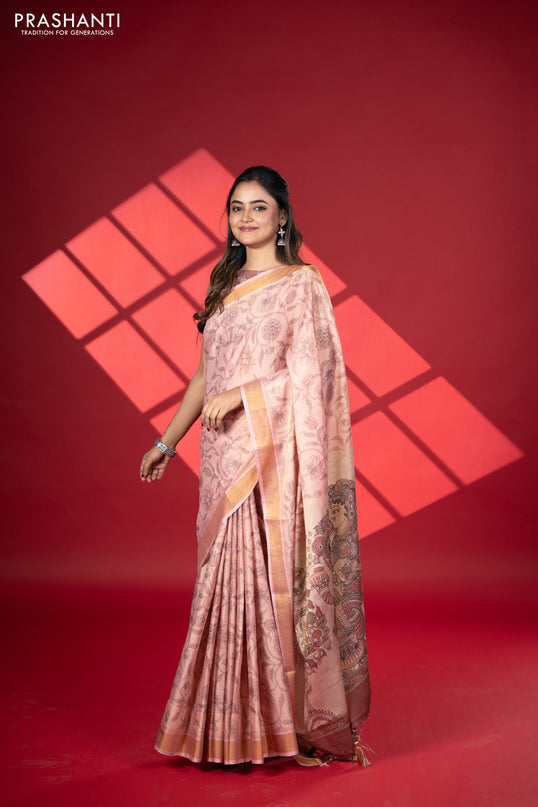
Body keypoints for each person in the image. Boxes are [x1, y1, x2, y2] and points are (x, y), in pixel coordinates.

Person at [139, 166, 371, 767]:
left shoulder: (301, 285)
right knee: (223, 585)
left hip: (270, 459)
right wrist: (166, 442)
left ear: (282, 217)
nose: (246, 218)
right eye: (237, 208)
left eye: (259, 207)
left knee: (270, 585)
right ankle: (224, 727)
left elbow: (312, 377)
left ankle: (282, 729)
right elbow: (204, 375)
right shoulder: (224, 285)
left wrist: (244, 395)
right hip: (222, 457)